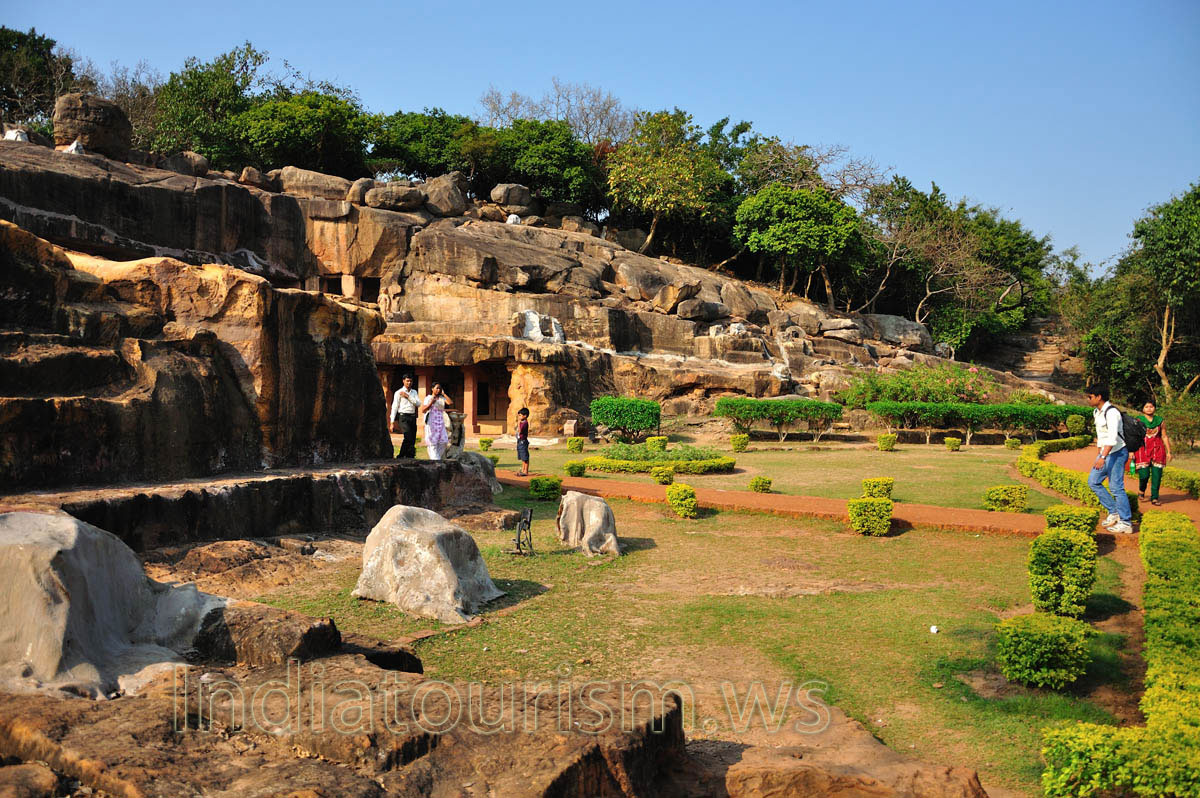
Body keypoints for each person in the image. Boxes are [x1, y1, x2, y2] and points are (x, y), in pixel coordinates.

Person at [1086, 384, 1133, 534]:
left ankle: (1126, 522)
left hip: (1117, 452)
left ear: (1099, 397)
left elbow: (1112, 438)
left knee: (1116, 487)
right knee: (1093, 481)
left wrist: (1103, 456)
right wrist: (1100, 454)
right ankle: (1114, 512)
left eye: (1090, 396)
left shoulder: (1112, 413)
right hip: (1106, 453)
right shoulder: (1097, 412)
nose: (1088, 399)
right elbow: (1101, 436)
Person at [1131, 399, 1172, 506]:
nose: (1149, 409)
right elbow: (1134, 436)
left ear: (1155, 408)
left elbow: (1164, 436)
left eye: (1151, 406)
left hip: (1157, 449)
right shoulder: (1138, 420)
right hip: (1142, 450)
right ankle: (1141, 490)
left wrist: (1169, 452)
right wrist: (1131, 450)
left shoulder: (1160, 420)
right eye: (1146, 407)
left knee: (1157, 475)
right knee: (1144, 475)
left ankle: (1155, 497)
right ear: (1142, 409)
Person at [389, 374, 419, 459]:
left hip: (412, 417)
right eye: (407, 381)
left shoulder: (414, 392)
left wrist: (408, 396)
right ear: (403, 381)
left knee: (412, 438)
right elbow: (394, 407)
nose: (409, 383)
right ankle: (401, 455)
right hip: (403, 417)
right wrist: (392, 422)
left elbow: (418, 403)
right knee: (408, 436)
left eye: (410, 381)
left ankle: (410, 456)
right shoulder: (398, 392)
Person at [421, 382, 453, 460]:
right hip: (431, 422)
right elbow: (423, 410)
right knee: (432, 442)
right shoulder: (428, 398)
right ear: (432, 389)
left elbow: (450, 402)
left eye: (440, 388)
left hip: (440, 422)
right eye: (437, 388)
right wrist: (431, 403)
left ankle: (436, 457)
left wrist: (444, 394)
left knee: (443, 441)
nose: (438, 390)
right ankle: (435, 459)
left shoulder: (442, 398)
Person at [516, 407, 531, 476]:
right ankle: (523, 470)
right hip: (520, 441)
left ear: (525, 416)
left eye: (520, 415)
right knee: (522, 457)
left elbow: (520, 431)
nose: (519, 417)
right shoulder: (522, 422)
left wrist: (518, 423)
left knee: (525, 457)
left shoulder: (525, 423)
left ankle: (526, 471)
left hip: (523, 441)